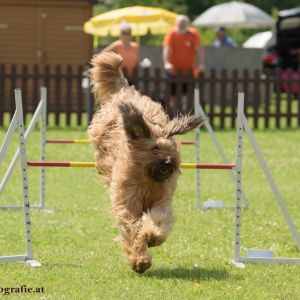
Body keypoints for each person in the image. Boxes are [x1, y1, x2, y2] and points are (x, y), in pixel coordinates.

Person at [162, 15, 205, 116]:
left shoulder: (193, 33)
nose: (182, 25)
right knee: (173, 96)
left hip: (189, 72)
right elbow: (166, 48)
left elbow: (199, 50)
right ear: (176, 24)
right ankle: (174, 116)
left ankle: (187, 117)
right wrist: (166, 63)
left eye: (184, 23)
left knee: (189, 96)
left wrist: (201, 64)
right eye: (180, 23)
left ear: (188, 24)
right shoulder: (171, 33)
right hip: (173, 72)